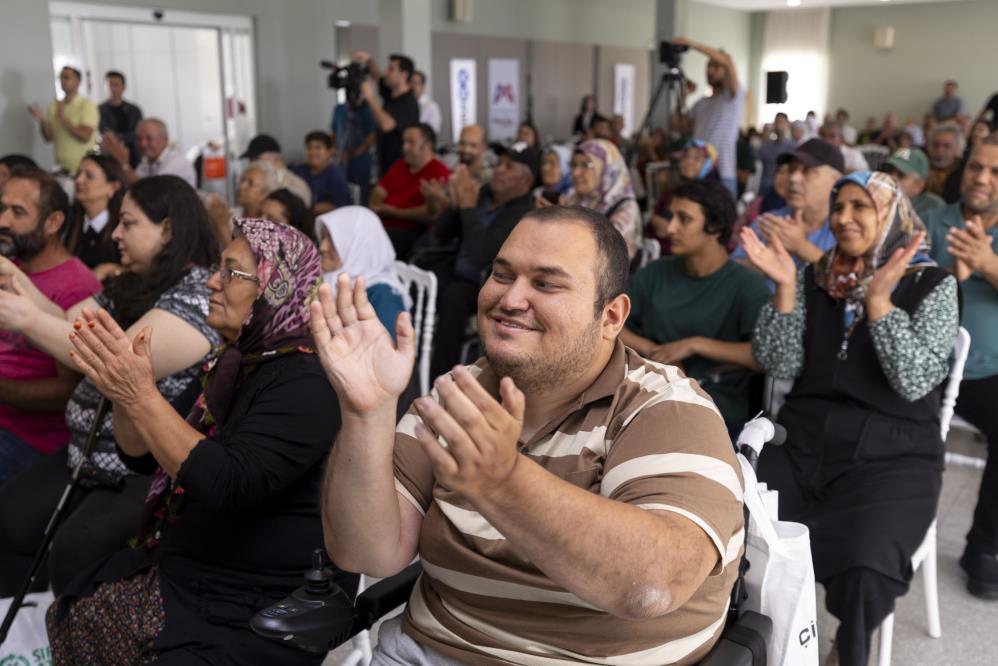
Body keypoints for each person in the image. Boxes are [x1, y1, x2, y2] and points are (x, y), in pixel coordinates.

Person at [314, 205, 744, 665]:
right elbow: (366, 552)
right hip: (428, 652)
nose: (511, 299)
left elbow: (652, 583)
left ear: (611, 316)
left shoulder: (665, 408)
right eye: (502, 275)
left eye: (545, 283)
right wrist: (368, 412)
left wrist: (503, 481)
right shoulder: (459, 393)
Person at [46, 217, 354, 665]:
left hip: (263, 599)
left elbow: (228, 482)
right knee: (76, 609)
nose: (213, 282)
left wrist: (141, 393)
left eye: (231, 272)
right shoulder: (235, 360)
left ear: (275, 287)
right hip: (201, 570)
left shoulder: (307, 380)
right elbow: (144, 456)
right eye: (218, 268)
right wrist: (126, 393)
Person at [745, 171, 959, 666]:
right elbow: (779, 365)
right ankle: (753, 639)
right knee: (738, 519)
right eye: (838, 206)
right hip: (805, 442)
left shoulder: (932, 283)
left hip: (894, 454)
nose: (843, 218)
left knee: (867, 562)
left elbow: (915, 380)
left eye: (860, 206)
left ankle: (847, 650)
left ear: (890, 214)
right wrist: (783, 288)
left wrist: (879, 304)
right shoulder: (816, 277)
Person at [0, 175, 220, 596]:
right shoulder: (137, 280)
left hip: (139, 471)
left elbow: (115, 359)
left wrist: (22, 317)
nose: (115, 233)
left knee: (72, 553)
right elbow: (68, 322)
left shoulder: (198, 296)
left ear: (168, 229)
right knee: (9, 516)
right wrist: (16, 281)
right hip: (84, 455)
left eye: (128, 223)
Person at [622, 180, 770, 431]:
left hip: (712, 404)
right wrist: (656, 353)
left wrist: (694, 345)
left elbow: (762, 356)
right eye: (671, 217)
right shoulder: (656, 272)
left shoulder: (747, 286)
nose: (670, 228)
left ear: (715, 227)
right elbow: (610, 322)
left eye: (684, 219)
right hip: (647, 388)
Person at [923, 132, 998, 601]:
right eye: (976, 167)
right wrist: (955, 275)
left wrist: (989, 264)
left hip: (990, 372)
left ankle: (985, 548)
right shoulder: (932, 221)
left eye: (995, 172)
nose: (982, 179)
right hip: (928, 368)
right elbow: (906, 299)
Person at [0, 167, 101, 484]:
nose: (3, 221)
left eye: (17, 212)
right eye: (2, 208)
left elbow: (70, 390)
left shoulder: (77, 287)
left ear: (54, 222)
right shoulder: (11, 265)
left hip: (30, 440)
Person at [427, 142, 538, 378]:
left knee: (453, 297)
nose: (498, 169)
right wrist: (454, 205)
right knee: (421, 277)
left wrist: (467, 207)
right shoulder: (483, 194)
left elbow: (482, 255)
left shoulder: (523, 213)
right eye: (498, 163)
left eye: (509, 167)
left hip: (486, 281)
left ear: (526, 181)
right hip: (456, 269)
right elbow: (441, 233)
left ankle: (440, 380)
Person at [732, 138, 844, 286]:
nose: (793, 178)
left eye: (807, 171)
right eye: (792, 169)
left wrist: (800, 247)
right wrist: (762, 261)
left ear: (836, 181)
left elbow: (853, 285)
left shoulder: (846, 226)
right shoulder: (770, 221)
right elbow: (730, 273)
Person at [315, 206, 409, 338]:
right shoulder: (326, 279)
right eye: (323, 237)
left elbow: (385, 352)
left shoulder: (383, 296)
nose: (322, 247)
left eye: (332, 239)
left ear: (358, 245)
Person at [369, 123, 450, 260]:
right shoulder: (399, 165)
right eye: (404, 142)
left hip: (411, 232)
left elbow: (431, 214)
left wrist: (393, 212)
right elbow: (379, 191)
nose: (404, 147)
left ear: (427, 146)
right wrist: (378, 207)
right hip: (382, 225)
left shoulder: (439, 172)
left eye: (411, 143)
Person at [675, 37, 744, 197]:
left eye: (715, 66)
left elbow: (727, 60)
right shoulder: (701, 103)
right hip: (699, 172)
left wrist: (691, 44)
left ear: (725, 71)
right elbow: (679, 126)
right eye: (708, 66)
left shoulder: (732, 98)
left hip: (723, 172)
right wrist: (683, 97)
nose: (710, 71)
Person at [563, 139, 642, 261]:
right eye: (574, 165)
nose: (575, 173)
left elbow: (608, 259)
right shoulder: (574, 198)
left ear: (606, 167)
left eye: (585, 165)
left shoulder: (625, 208)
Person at [646, 139, 718, 256]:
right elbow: (654, 216)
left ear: (708, 164)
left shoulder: (711, 198)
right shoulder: (673, 188)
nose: (689, 161)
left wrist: (672, 229)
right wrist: (656, 221)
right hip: (658, 249)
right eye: (686, 156)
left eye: (697, 159)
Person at [353, 51, 420, 176]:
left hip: (400, 167)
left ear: (404, 75)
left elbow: (387, 125)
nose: (386, 72)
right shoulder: (391, 93)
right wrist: (369, 60)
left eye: (391, 69)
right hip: (385, 166)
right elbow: (377, 76)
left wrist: (370, 98)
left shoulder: (408, 102)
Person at [28, 66, 98, 174]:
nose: (62, 81)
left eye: (66, 78)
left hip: (82, 167)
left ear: (78, 81)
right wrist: (42, 121)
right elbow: (49, 138)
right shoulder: (54, 106)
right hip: (60, 167)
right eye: (60, 78)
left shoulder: (87, 105)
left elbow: (85, 137)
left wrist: (62, 119)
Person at [65, 154, 125, 274]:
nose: (78, 180)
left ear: (112, 187)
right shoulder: (68, 221)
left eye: (89, 176)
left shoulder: (121, 228)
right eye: (78, 174)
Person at [104, 118, 196, 188]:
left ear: (165, 139)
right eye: (139, 138)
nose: (143, 144)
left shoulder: (177, 162)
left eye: (149, 138)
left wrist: (123, 163)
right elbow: (131, 188)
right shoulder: (145, 164)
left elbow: (148, 192)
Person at [240, 134, 312, 208]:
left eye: (256, 159)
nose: (252, 164)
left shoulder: (295, 185)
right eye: (251, 160)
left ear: (275, 158)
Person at [331, 91, 377, 204]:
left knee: (362, 194)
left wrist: (357, 151)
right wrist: (338, 151)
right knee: (342, 190)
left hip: (360, 160)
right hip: (342, 159)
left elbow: (372, 135)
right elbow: (334, 131)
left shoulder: (366, 109)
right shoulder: (340, 109)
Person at [292, 130, 352, 214]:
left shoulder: (336, 175)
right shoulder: (299, 170)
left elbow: (337, 205)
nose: (312, 152)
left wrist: (307, 209)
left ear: (329, 152)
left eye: (318, 148)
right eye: (309, 148)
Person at [881, 147, 945, 218]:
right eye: (889, 171)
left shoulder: (933, 206)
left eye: (900, 175)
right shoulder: (876, 197)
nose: (891, 178)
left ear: (919, 185)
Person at [97, 70, 143, 168]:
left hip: (133, 156)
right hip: (109, 157)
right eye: (110, 85)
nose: (113, 88)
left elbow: (138, 133)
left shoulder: (134, 110)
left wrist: (119, 137)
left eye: (116, 85)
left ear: (123, 87)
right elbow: (102, 132)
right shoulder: (99, 110)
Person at [758, 113, 796, 193]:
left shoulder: (793, 147)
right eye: (777, 122)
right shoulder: (765, 146)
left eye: (782, 122)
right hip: (766, 188)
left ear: (787, 124)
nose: (779, 125)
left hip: (784, 189)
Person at [926, 122, 965, 197]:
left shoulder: (962, 174)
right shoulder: (922, 166)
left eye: (947, 146)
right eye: (935, 145)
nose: (940, 151)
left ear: (958, 149)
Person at [411, 70, 442, 136]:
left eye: (415, 83)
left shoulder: (431, 106)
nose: (412, 87)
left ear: (423, 86)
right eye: (410, 83)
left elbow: (433, 132)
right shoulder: (406, 105)